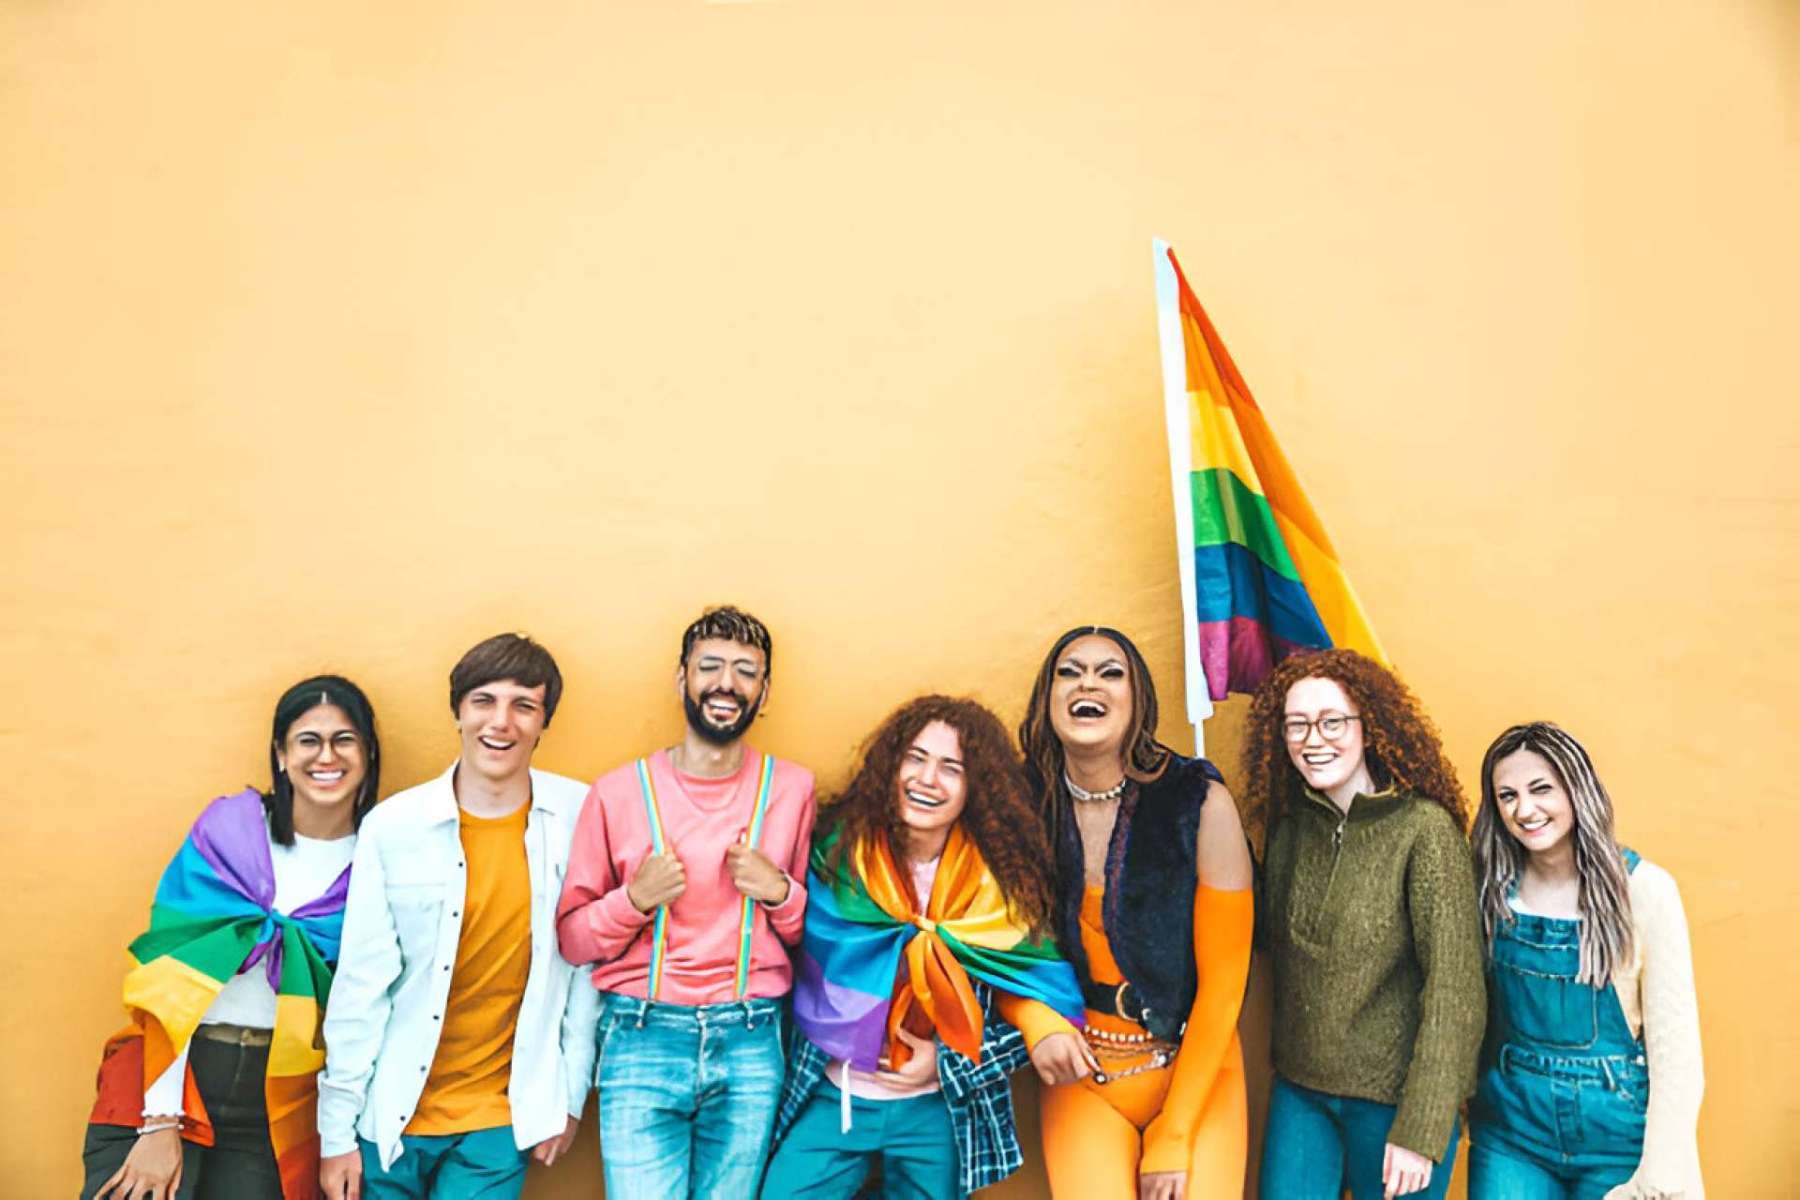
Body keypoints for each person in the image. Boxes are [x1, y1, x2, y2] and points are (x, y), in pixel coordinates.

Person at [761, 694, 1091, 1200]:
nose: (927, 779)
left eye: (951, 769)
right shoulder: (838, 858)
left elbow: (1029, 996)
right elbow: (797, 961)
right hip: (836, 1094)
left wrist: (947, 1062)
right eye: (915, 758)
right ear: (891, 767)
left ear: (975, 789)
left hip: (937, 1109)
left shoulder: (999, 889)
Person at [82, 674, 382, 1200]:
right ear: (281, 755)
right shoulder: (229, 832)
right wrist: (161, 1121)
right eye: (308, 740)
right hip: (172, 1077)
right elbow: (169, 984)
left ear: (368, 753)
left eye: (344, 740)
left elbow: (368, 1006)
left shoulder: (380, 861)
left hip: (280, 1104)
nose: (326, 756)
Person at [317, 634, 595, 1200]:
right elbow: (361, 984)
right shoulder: (394, 827)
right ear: (458, 712)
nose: (501, 722)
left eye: (524, 705)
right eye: (483, 701)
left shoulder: (579, 816)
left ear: (544, 722)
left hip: (498, 1121)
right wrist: (336, 1133)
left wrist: (568, 1096)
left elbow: (584, 971)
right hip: (389, 1118)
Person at [556, 605, 816, 1200]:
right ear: (682, 680)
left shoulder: (793, 789)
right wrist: (633, 901)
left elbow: (810, 937)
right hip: (641, 1034)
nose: (727, 684)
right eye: (710, 666)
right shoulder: (617, 793)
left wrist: (779, 892)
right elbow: (572, 939)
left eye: (746, 671)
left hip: (751, 1036)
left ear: (764, 693)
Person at [1019, 626, 1255, 1200]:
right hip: (1085, 1075)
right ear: (1047, 697)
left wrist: (1175, 1134)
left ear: (1138, 699)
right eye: (1069, 672)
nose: (1087, 684)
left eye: (1110, 672)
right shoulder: (1019, 807)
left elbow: (1225, 985)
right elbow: (995, 946)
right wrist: (1035, 1021)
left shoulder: (1199, 801)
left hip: (1196, 1068)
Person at [1242, 648, 1485, 1200]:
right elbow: (1266, 940)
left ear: (1369, 727)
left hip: (1397, 1101)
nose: (1313, 739)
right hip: (1302, 1093)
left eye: (1332, 721)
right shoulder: (1288, 829)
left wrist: (1423, 1127)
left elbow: (1456, 990)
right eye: (1296, 725)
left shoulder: (1425, 831)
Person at [1467, 722, 1704, 1198]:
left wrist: (1659, 1175)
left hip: (1619, 1141)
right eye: (1508, 795)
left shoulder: (1645, 891)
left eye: (1541, 789)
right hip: (1512, 1136)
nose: (1524, 810)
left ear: (1577, 790)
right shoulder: (1488, 890)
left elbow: (1676, 1050)